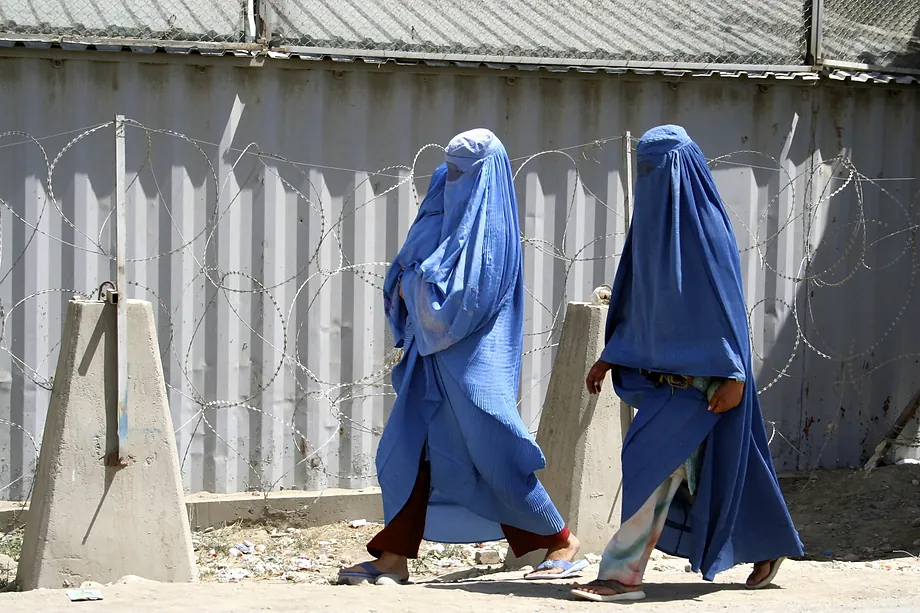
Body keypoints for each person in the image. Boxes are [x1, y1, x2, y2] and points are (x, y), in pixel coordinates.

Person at [338, 128, 586, 586]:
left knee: (494, 456)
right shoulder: (442, 214)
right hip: (428, 366)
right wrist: (411, 279)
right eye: (448, 169)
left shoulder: (490, 233)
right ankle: (393, 557)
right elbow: (404, 278)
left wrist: (415, 282)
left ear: (485, 177)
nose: (453, 180)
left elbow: (457, 304)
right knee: (403, 453)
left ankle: (561, 541)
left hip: (473, 368)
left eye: (462, 172)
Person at [570, 125, 804, 602]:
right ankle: (768, 539)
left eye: (661, 168)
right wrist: (610, 356)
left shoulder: (703, 228)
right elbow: (641, 304)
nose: (654, 178)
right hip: (660, 381)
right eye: (646, 168)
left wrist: (736, 374)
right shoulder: (652, 231)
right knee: (719, 467)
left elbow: (725, 307)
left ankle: (621, 574)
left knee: (650, 467)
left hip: (702, 381)